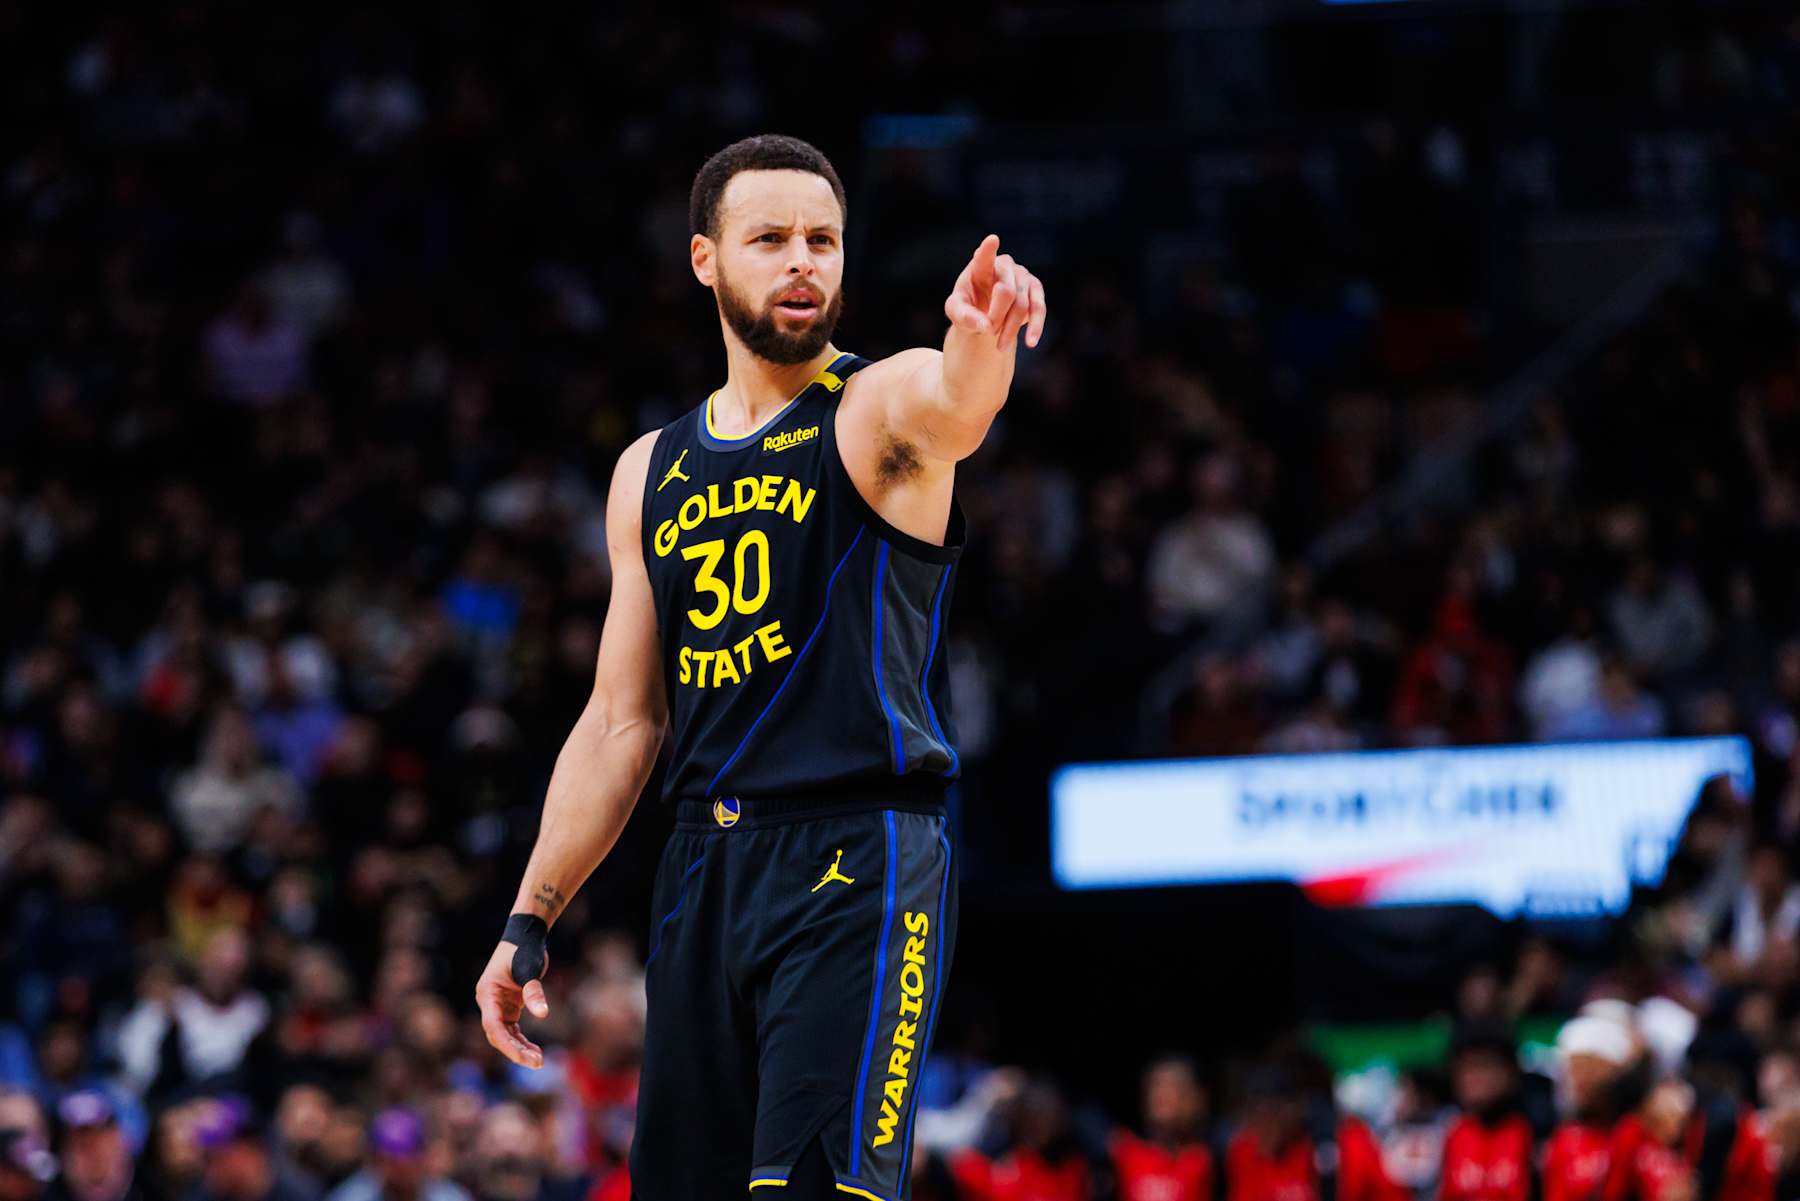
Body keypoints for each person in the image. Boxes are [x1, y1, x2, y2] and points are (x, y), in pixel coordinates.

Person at [471, 133, 1046, 1201]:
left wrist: (983, 336)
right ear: (705, 260)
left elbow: (956, 402)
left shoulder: (875, 410)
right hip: (705, 866)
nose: (802, 262)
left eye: (823, 240)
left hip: (860, 855)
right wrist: (529, 917)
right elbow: (619, 723)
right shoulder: (650, 468)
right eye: (771, 238)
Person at [1108, 1057, 1214, 1201]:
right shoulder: (1121, 1150)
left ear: (1195, 1098)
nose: (1163, 1094)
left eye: (1176, 1087)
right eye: (1157, 1086)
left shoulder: (1207, 1159)